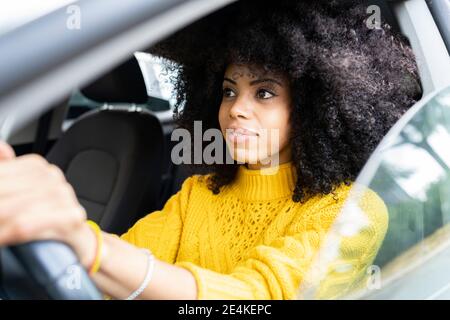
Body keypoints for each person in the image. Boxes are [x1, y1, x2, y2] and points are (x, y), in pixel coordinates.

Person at [0, 1, 422, 299]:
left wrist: (87, 247)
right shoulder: (198, 194)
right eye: (228, 91)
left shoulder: (351, 211)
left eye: (264, 93)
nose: (236, 109)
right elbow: (123, 265)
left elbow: (255, 295)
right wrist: (45, 234)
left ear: (314, 106)